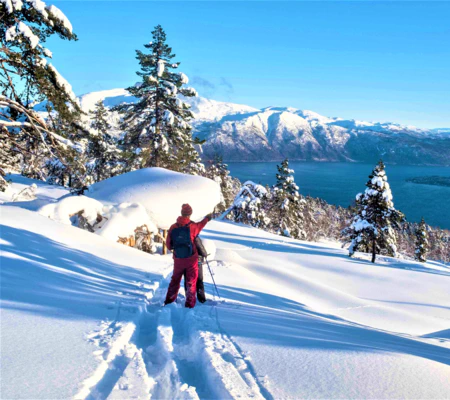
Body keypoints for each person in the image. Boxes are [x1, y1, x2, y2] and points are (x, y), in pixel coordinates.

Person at [164, 204, 211, 308]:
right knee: (191, 282)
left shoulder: (173, 227)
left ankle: (169, 302)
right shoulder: (193, 226)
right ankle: (189, 305)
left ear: (181, 213)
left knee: (175, 281)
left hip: (178, 259)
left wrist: (176, 248)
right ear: (190, 214)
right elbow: (202, 224)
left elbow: (168, 245)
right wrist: (208, 218)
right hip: (191, 259)